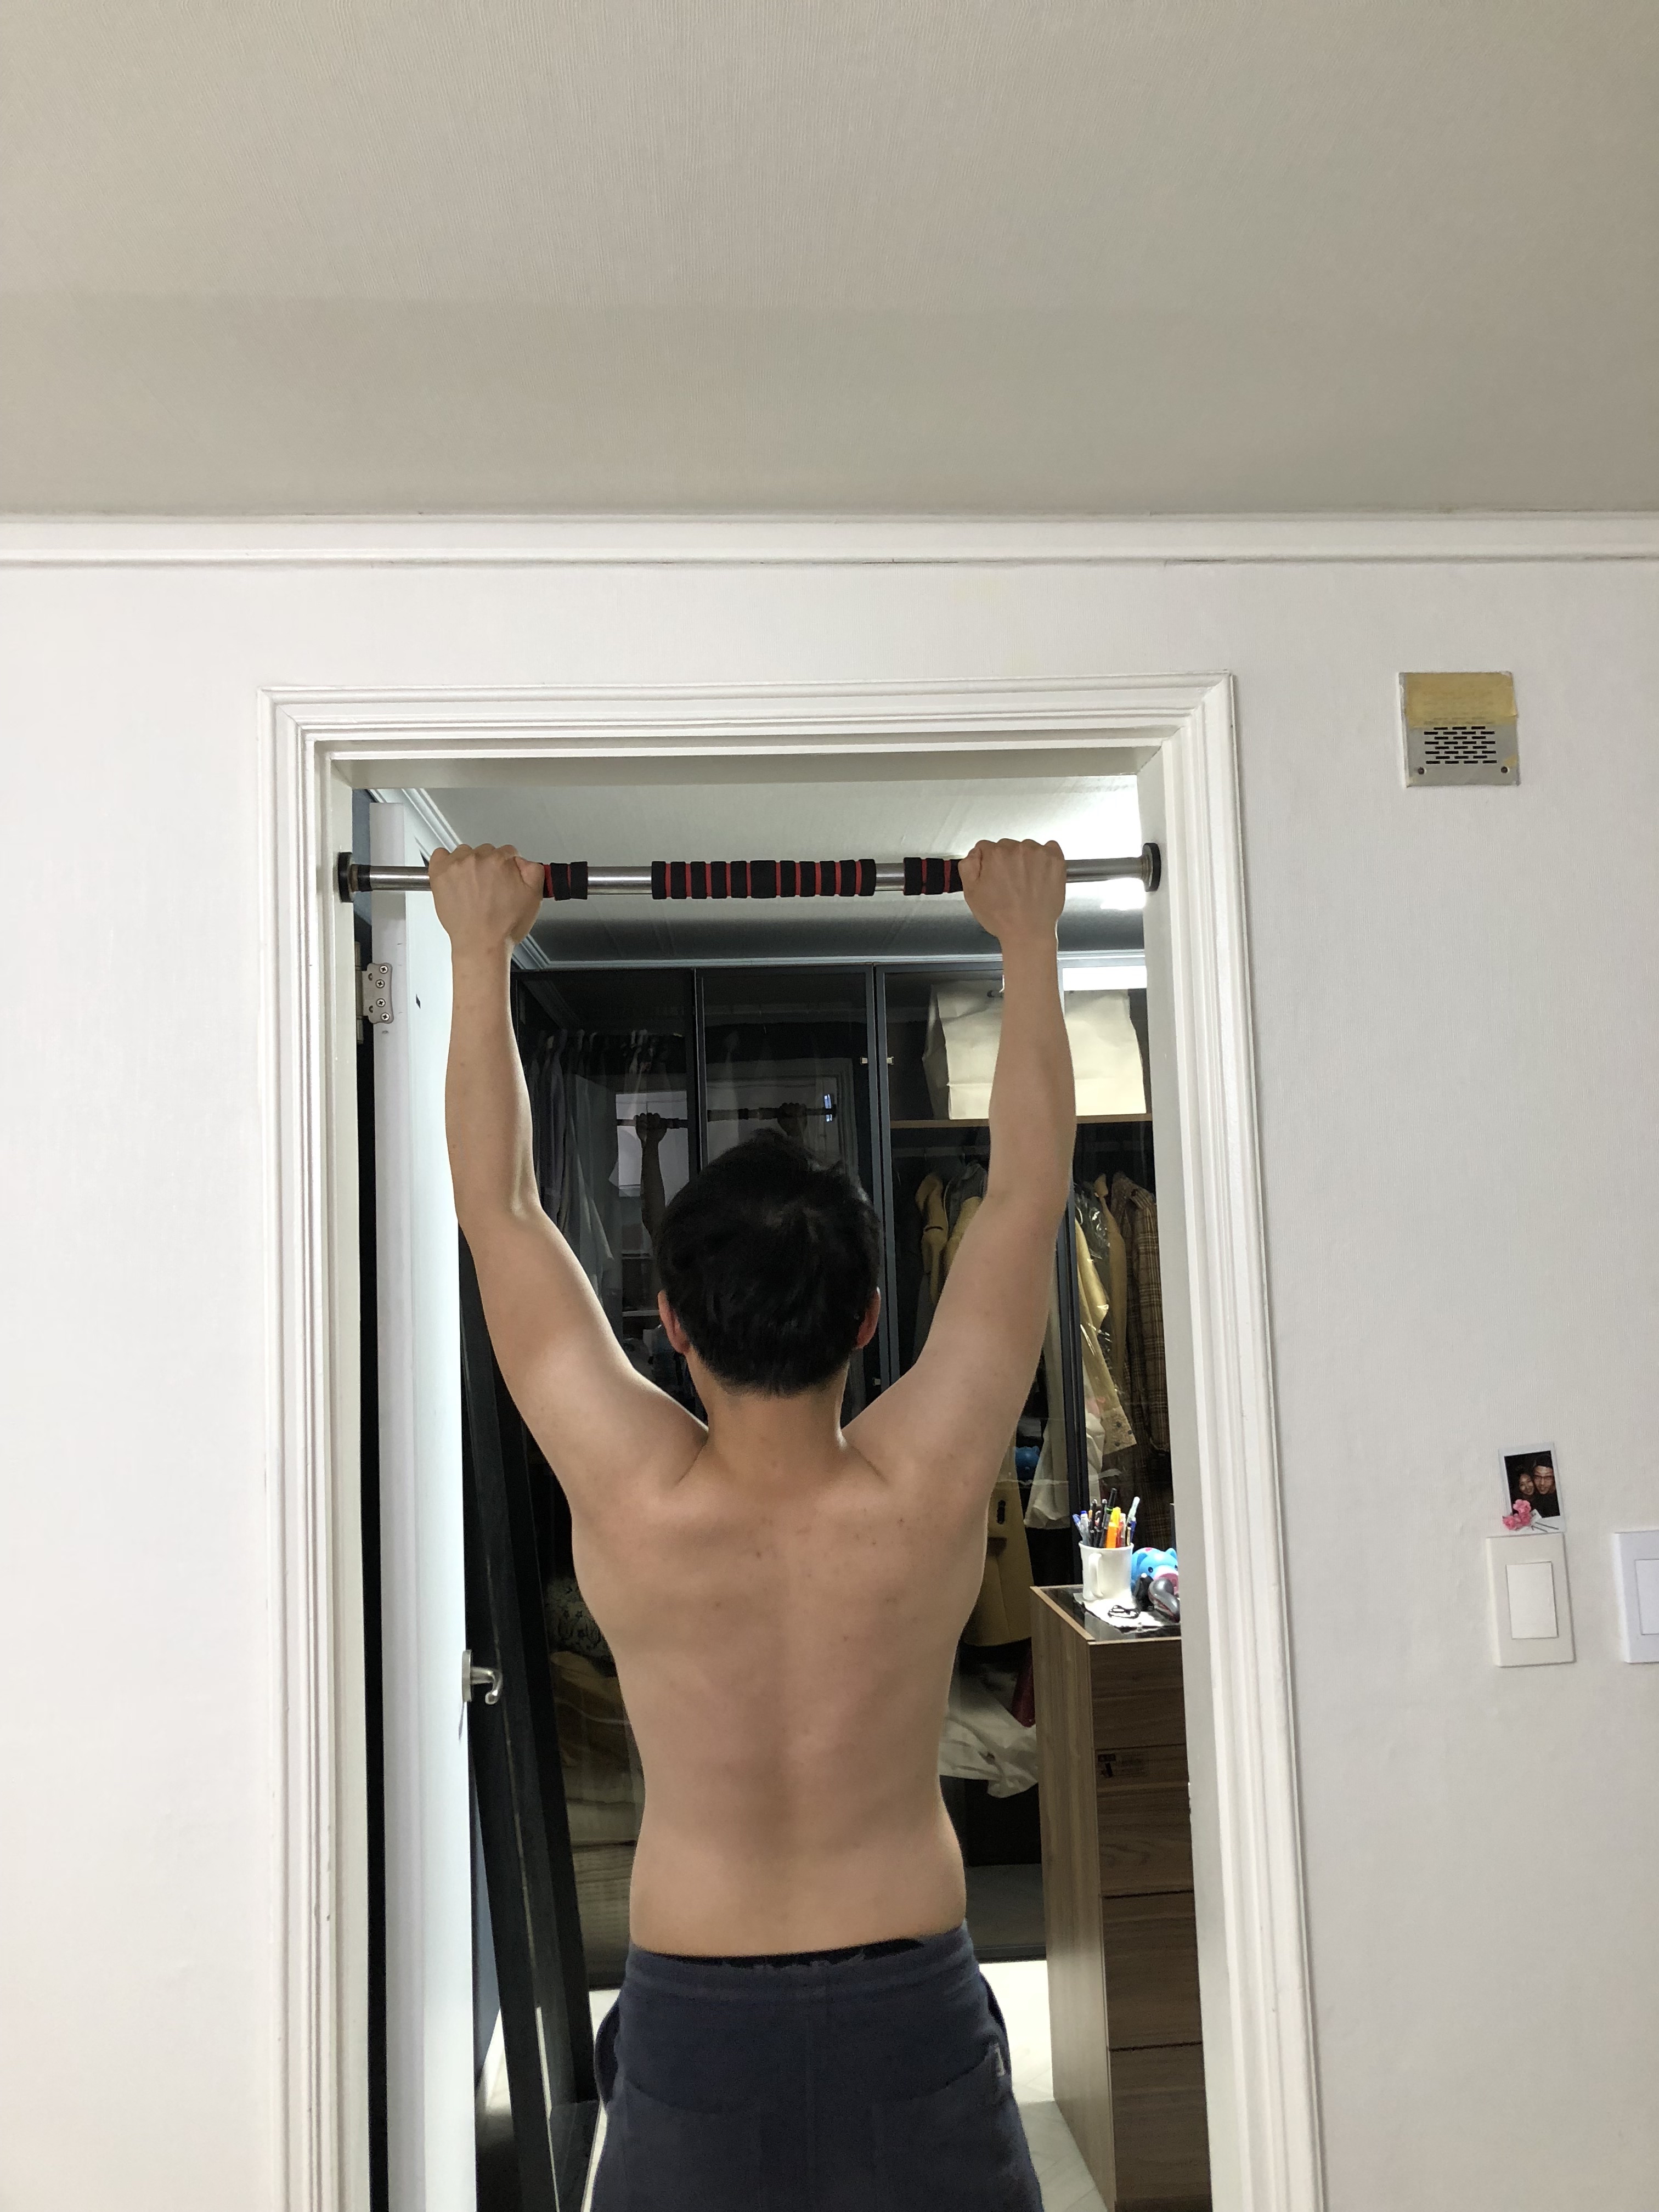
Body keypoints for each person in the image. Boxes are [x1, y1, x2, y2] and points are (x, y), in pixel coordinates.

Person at [433, 836, 1074, 2211]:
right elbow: (1027, 1196)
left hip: (697, 2023)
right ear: (869, 1317)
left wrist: (480, 951)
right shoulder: (926, 1482)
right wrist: (1026, 939)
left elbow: (500, 1212)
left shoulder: (635, 1496)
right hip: (912, 2012)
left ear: (669, 1324)